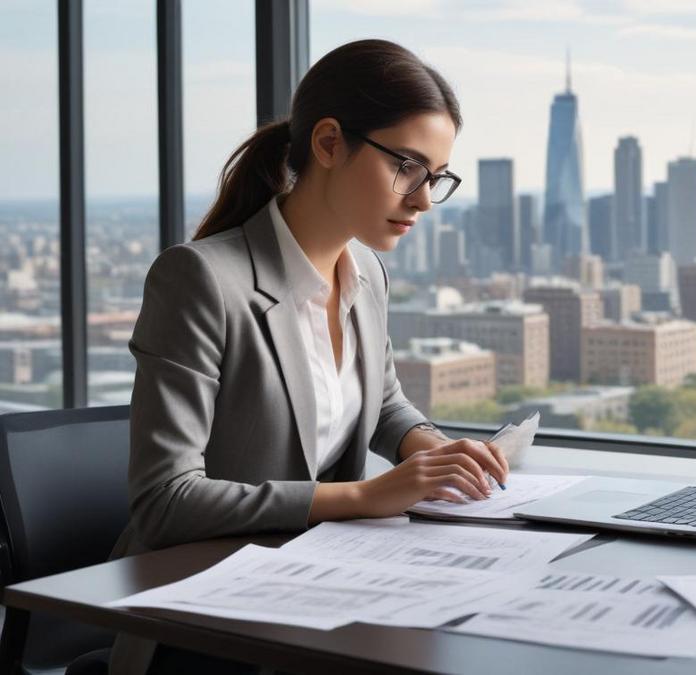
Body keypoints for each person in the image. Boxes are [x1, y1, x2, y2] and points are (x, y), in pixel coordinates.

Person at [108, 39, 503, 674]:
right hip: (203, 623)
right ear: (327, 143)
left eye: (436, 177)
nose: (424, 199)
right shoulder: (201, 279)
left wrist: (431, 449)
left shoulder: (366, 271)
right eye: (407, 166)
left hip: (324, 590)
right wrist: (362, 496)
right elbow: (165, 500)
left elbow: (381, 406)